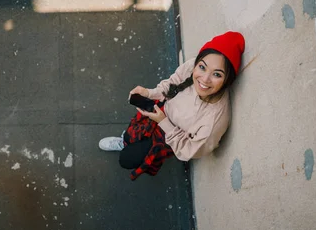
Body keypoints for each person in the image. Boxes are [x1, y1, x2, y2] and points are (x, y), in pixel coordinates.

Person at [99, 31, 245, 180]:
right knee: (131, 134)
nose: (205, 78)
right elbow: (173, 82)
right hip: (160, 109)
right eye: (202, 67)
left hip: (168, 136)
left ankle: (128, 145)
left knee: (127, 159)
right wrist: (150, 93)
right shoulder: (194, 66)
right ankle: (125, 140)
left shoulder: (214, 120)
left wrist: (163, 122)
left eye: (217, 74)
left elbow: (188, 151)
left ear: (227, 80)